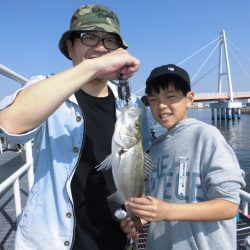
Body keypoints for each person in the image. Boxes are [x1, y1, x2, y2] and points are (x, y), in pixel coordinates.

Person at [0, 4, 151, 250]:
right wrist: (94, 65)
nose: (101, 47)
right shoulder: (46, 90)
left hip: (114, 236)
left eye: (110, 41)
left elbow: (139, 166)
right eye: (89, 37)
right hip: (53, 240)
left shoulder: (131, 104)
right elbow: (9, 125)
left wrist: (137, 213)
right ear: (70, 47)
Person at [122, 64, 246, 250]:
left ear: (190, 99)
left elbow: (229, 206)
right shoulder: (154, 150)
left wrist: (168, 211)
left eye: (171, 97)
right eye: (153, 100)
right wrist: (137, 220)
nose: (161, 106)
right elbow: (154, 209)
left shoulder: (206, 136)